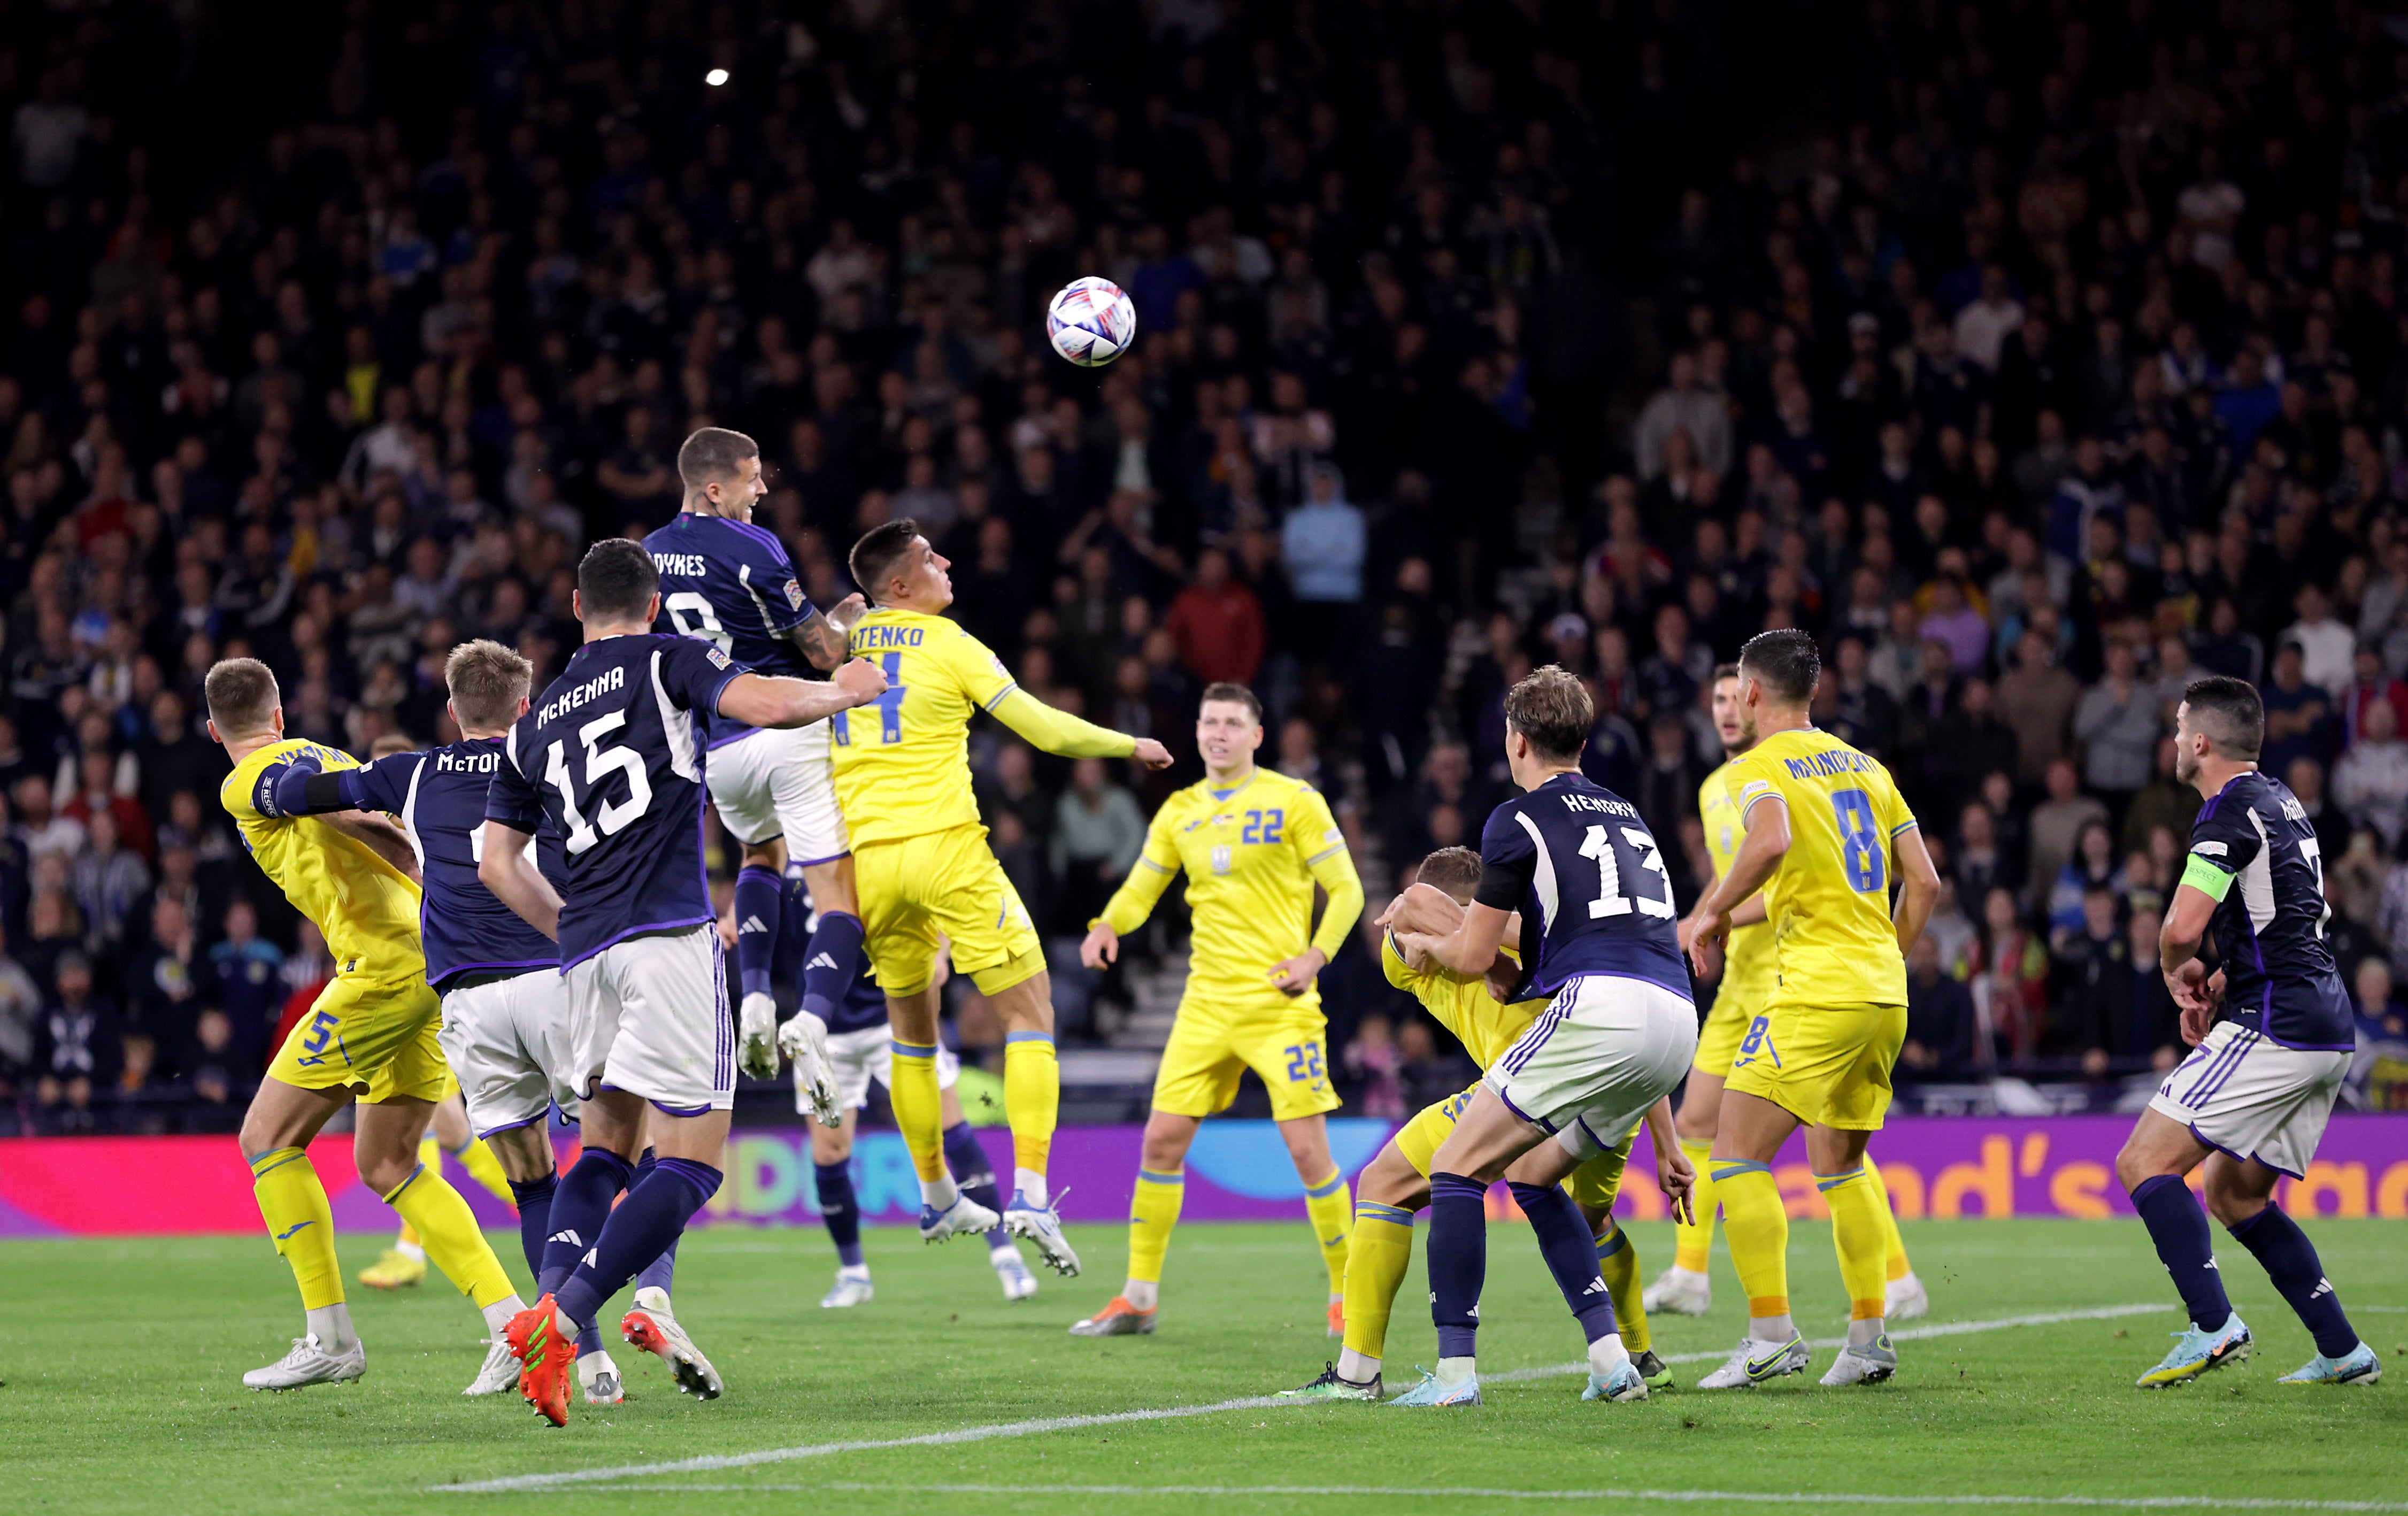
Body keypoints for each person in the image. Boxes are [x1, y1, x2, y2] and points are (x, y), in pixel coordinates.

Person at [479, 538, 883, 1425]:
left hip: (581, 959)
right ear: (654, 605)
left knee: (604, 1152)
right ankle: (562, 1320)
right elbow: (765, 702)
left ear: (576, 608)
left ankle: (552, 1327)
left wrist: (567, 928)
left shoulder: (532, 722)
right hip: (664, 936)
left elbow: (497, 864)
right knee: (693, 1163)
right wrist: (842, 689)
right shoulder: (670, 659)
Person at [257, 642, 634, 1407]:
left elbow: (310, 792)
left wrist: (274, 769)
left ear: (454, 711)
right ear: (526, 707)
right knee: (625, 1156)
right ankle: (625, 1320)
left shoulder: (414, 770)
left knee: (532, 1184)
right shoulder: (555, 756)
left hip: (469, 1003)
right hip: (555, 976)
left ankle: (581, 1359)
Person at [835, 520, 1171, 1275]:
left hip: (871, 865)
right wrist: (1126, 744)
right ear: (899, 586)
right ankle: (1026, 1190)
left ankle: (936, 1193)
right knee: (1030, 1012)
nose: (944, 562)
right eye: (928, 557)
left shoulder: (837, 649)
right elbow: (1042, 729)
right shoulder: (948, 642)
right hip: (947, 848)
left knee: (913, 1037)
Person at [206, 656, 528, 1394]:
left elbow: (338, 814)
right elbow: (375, 820)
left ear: (213, 728)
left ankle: (330, 1336)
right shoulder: (331, 755)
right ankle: (511, 1324)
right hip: (429, 958)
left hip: (382, 969)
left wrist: (415, 862)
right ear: (281, 713)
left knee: (266, 1137)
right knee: (385, 1162)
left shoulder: (244, 779)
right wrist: (433, 879)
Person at [1384, 666, 1698, 1406]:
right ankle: (1610, 1359)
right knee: (1531, 1176)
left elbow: (1469, 957)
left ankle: (1455, 1373)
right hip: (1675, 1016)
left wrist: (1427, 947)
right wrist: (1671, 1139)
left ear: (1514, 739)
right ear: (1584, 740)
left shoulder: (1513, 819)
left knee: (1457, 1167)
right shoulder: (1627, 813)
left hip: (1601, 1008)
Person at [1279, 846, 1672, 1402]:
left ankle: (1369, 1373)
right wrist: (1668, 1141)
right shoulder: (1538, 936)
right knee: (1586, 1212)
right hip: (1615, 1095)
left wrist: (1451, 935)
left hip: (1526, 1087)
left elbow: (1415, 908)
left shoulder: (1453, 946)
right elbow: (1625, 1029)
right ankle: (1631, 1357)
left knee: (1392, 1183)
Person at [1686, 628, 1941, 1390]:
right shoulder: (1866, 766)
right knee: (1838, 1162)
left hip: (1815, 989)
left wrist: (1709, 911)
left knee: (1731, 1153)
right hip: (1882, 992)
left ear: (1752, 694)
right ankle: (1867, 1339)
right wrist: (1883, 958)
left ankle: (1769, 1333)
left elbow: (1768, 840)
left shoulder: (1758, 767)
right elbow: (1923, 883)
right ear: (1815, 691)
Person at [1070, 684, 1365, 1338]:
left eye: (1234, 722)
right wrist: (1107, 925)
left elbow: (1346, 889)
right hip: (1205, 1005)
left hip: (1279, 1003)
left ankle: (1348, 1299)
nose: (1220, 733)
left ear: (1257, 736)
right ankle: (1138, 1298)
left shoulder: (1294, 800)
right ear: (1198, 732)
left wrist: (1316, 958)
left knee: (1308, 1152)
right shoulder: (1180, 811)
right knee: (1161, 1142)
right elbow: (1142, 888)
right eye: (1211, 722)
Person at [2112, 676, 2381, 1389]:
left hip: (2276, 1024)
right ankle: (2342, 1348)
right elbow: (2285, 926)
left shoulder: (2226, 809)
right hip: (2324, 1026)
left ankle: (2211, 1324)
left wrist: (2177, 971)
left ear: (2200, 740)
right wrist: (2220, 980)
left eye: (2175, 728)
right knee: (2233, 1192)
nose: (2171, 741)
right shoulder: (2282, 804)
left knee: (2143, 1161)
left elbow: (2177, 927)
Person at [645, 427, 870, 1086]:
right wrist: (846, 621)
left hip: (720, 749)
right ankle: (814, 1021)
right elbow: (823, 655)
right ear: (715, 490)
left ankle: (759, 1001)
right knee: (838, 902)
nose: (764, 489)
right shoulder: (756, 547)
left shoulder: (651, 556)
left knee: (760, 858)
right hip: (788, 729)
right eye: (752, 478)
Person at [777, 865, 1037, 1307]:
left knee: (949, 1129)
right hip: (823, 1027)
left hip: (894, 1012)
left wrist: (940, 951)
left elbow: (926, 891)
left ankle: (1005, 1254)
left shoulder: (869, 838)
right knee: (829, 1153)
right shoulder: (787, 849)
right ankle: (853, 1272)